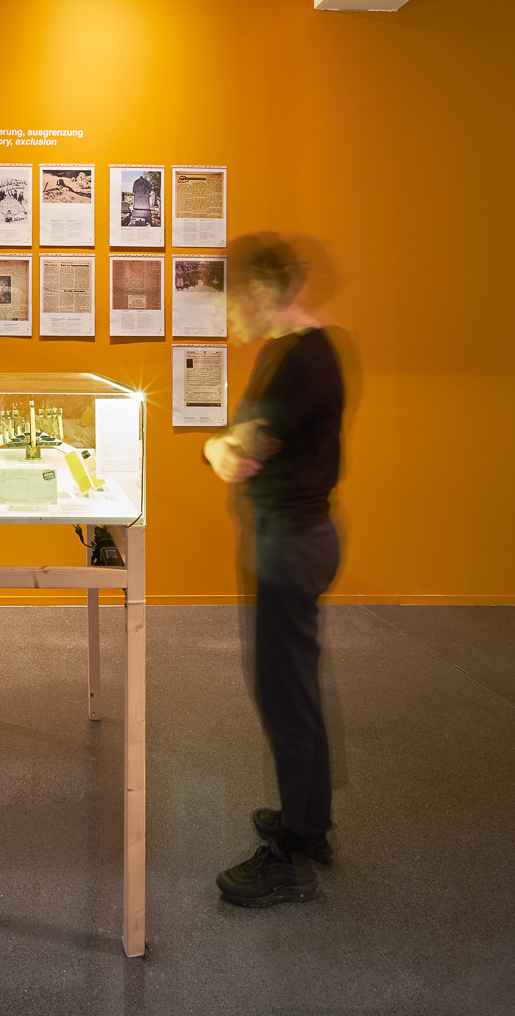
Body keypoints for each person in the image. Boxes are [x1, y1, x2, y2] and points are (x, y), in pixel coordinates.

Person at [203, 234, 344, 907]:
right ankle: (309, 824)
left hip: (291, 543)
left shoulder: (300, 362)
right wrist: (230, 443)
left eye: (232, 301)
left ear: (262, 292)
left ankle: (291, 857)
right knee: (291, 686)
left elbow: (242, 455)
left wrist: (217, 447)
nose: (228, 315)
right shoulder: (293, 351)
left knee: (285, 692)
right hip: (288, 537)